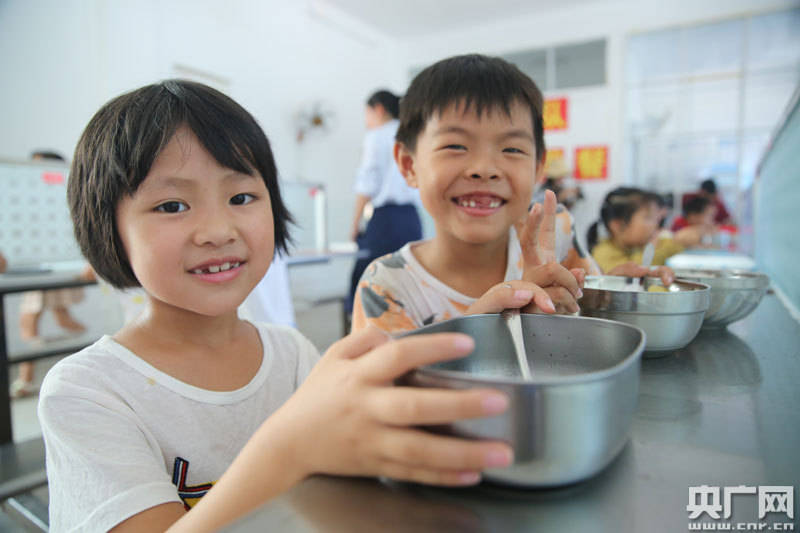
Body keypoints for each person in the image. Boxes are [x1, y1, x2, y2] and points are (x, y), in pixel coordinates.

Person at [39, 80, 513, 532]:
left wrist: (476, 329)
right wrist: (290, 450)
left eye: (241, 197)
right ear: (108, 226)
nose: (218, 231)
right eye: (172, 206)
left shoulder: (292, 354)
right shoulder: (87, 392)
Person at [350, 54, 587, 334]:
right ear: (409, 164)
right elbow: (385, 366)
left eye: (512, 149)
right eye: (456, 146)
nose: (484, 169)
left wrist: (621, 291)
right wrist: (481, 329)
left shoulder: (554, 234)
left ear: (538, 167)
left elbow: (601, 318)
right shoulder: (386, 287)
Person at [12, 151, 91, 399]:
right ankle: (26, 379)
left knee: (45, 320)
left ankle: (27, 379)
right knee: (40, 320)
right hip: (34, 270)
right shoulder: (26, 199)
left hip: (57, 269)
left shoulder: (67, 199)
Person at [346, 90, 422, 317]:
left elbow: (367, 183)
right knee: (409, 280)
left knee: (370, 281)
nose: (366, 120)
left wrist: (354, 224)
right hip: (412, 219)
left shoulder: (377, 136)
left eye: (367, 113)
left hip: (386, 221)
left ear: (378, 109)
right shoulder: (412, 134)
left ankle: (364, 328)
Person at [587, 187, 684, 273]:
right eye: (648, 217)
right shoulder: (603, 254)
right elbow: (636, 273)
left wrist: (680, 239)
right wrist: (653, 248)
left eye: (656, 218)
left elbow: (672, 243)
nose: (655, 224)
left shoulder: (636, 247)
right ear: (617, 225)